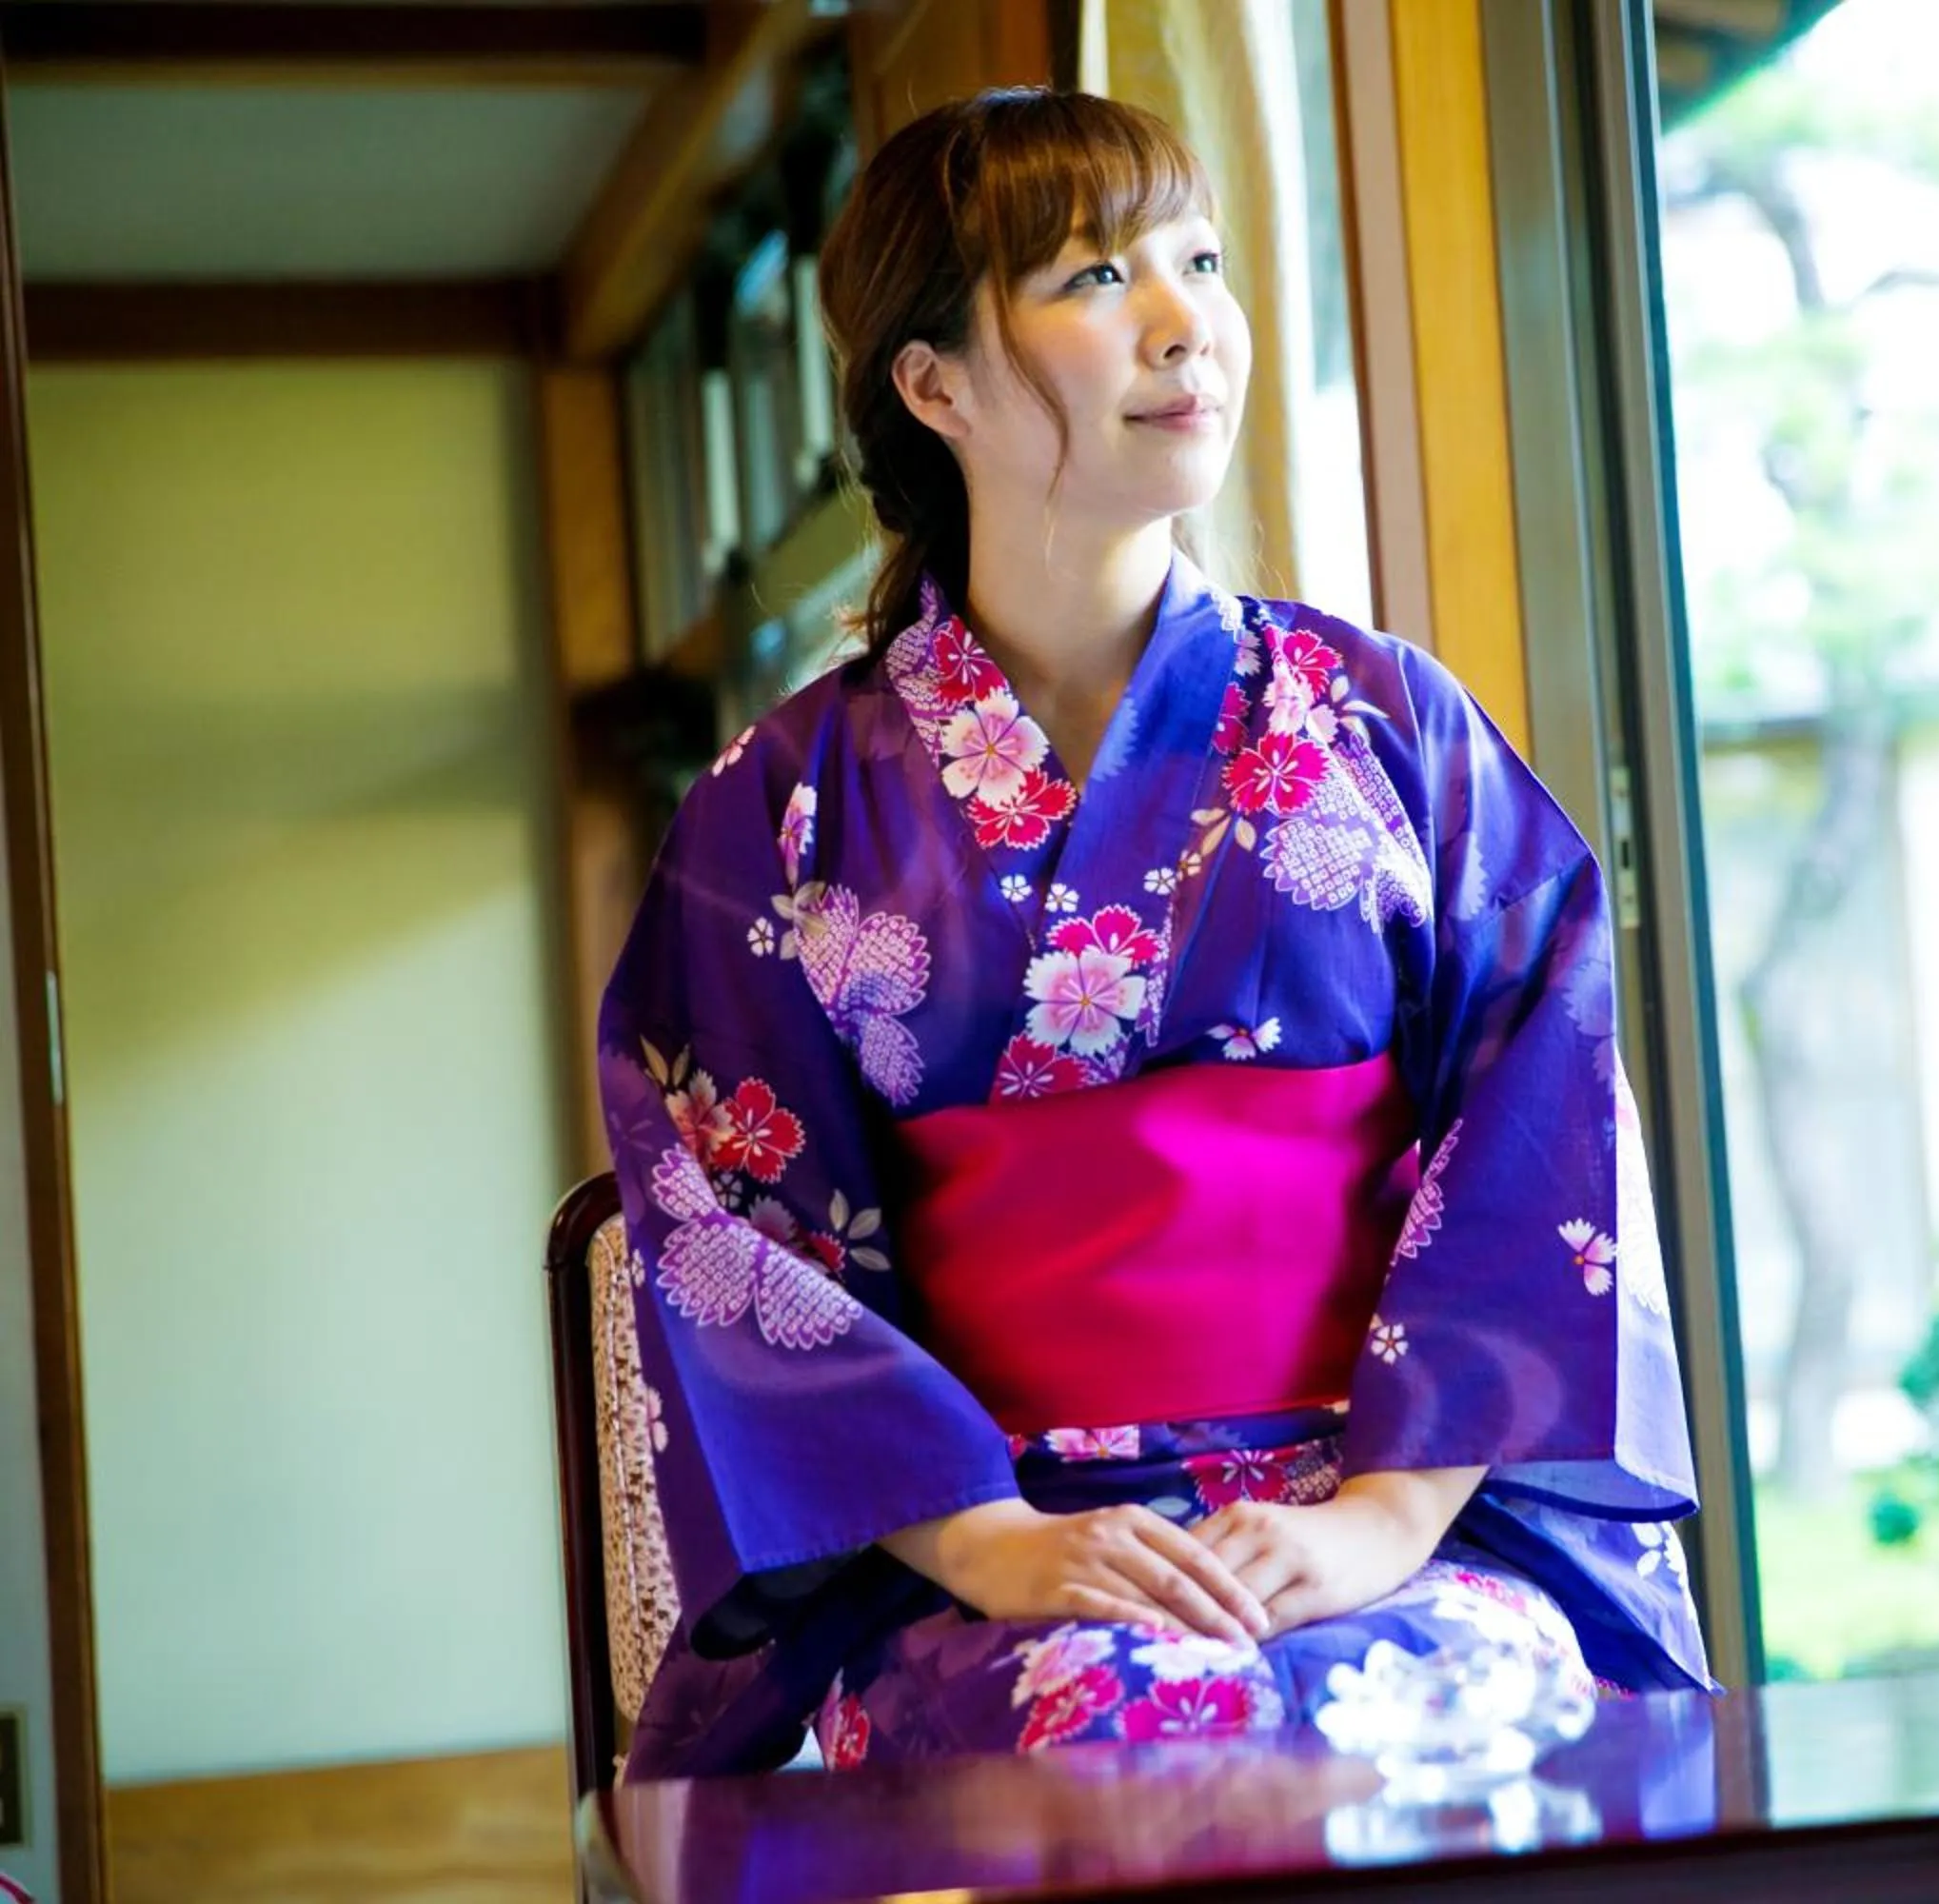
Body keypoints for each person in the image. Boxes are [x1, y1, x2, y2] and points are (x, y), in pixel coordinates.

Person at [598, 86, 1712, 1778]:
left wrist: (1382, 1522)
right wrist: (985, 1542)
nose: (1190, 325)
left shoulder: (1384, 724)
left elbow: (1540, 1123)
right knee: (1123, 1720)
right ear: (935, 384)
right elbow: (729, 1223)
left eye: (1201, 259)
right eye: (1101, 279)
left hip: (1381, 1518)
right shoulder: (778, 806)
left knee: (1427, 1708)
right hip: (999, 1553)